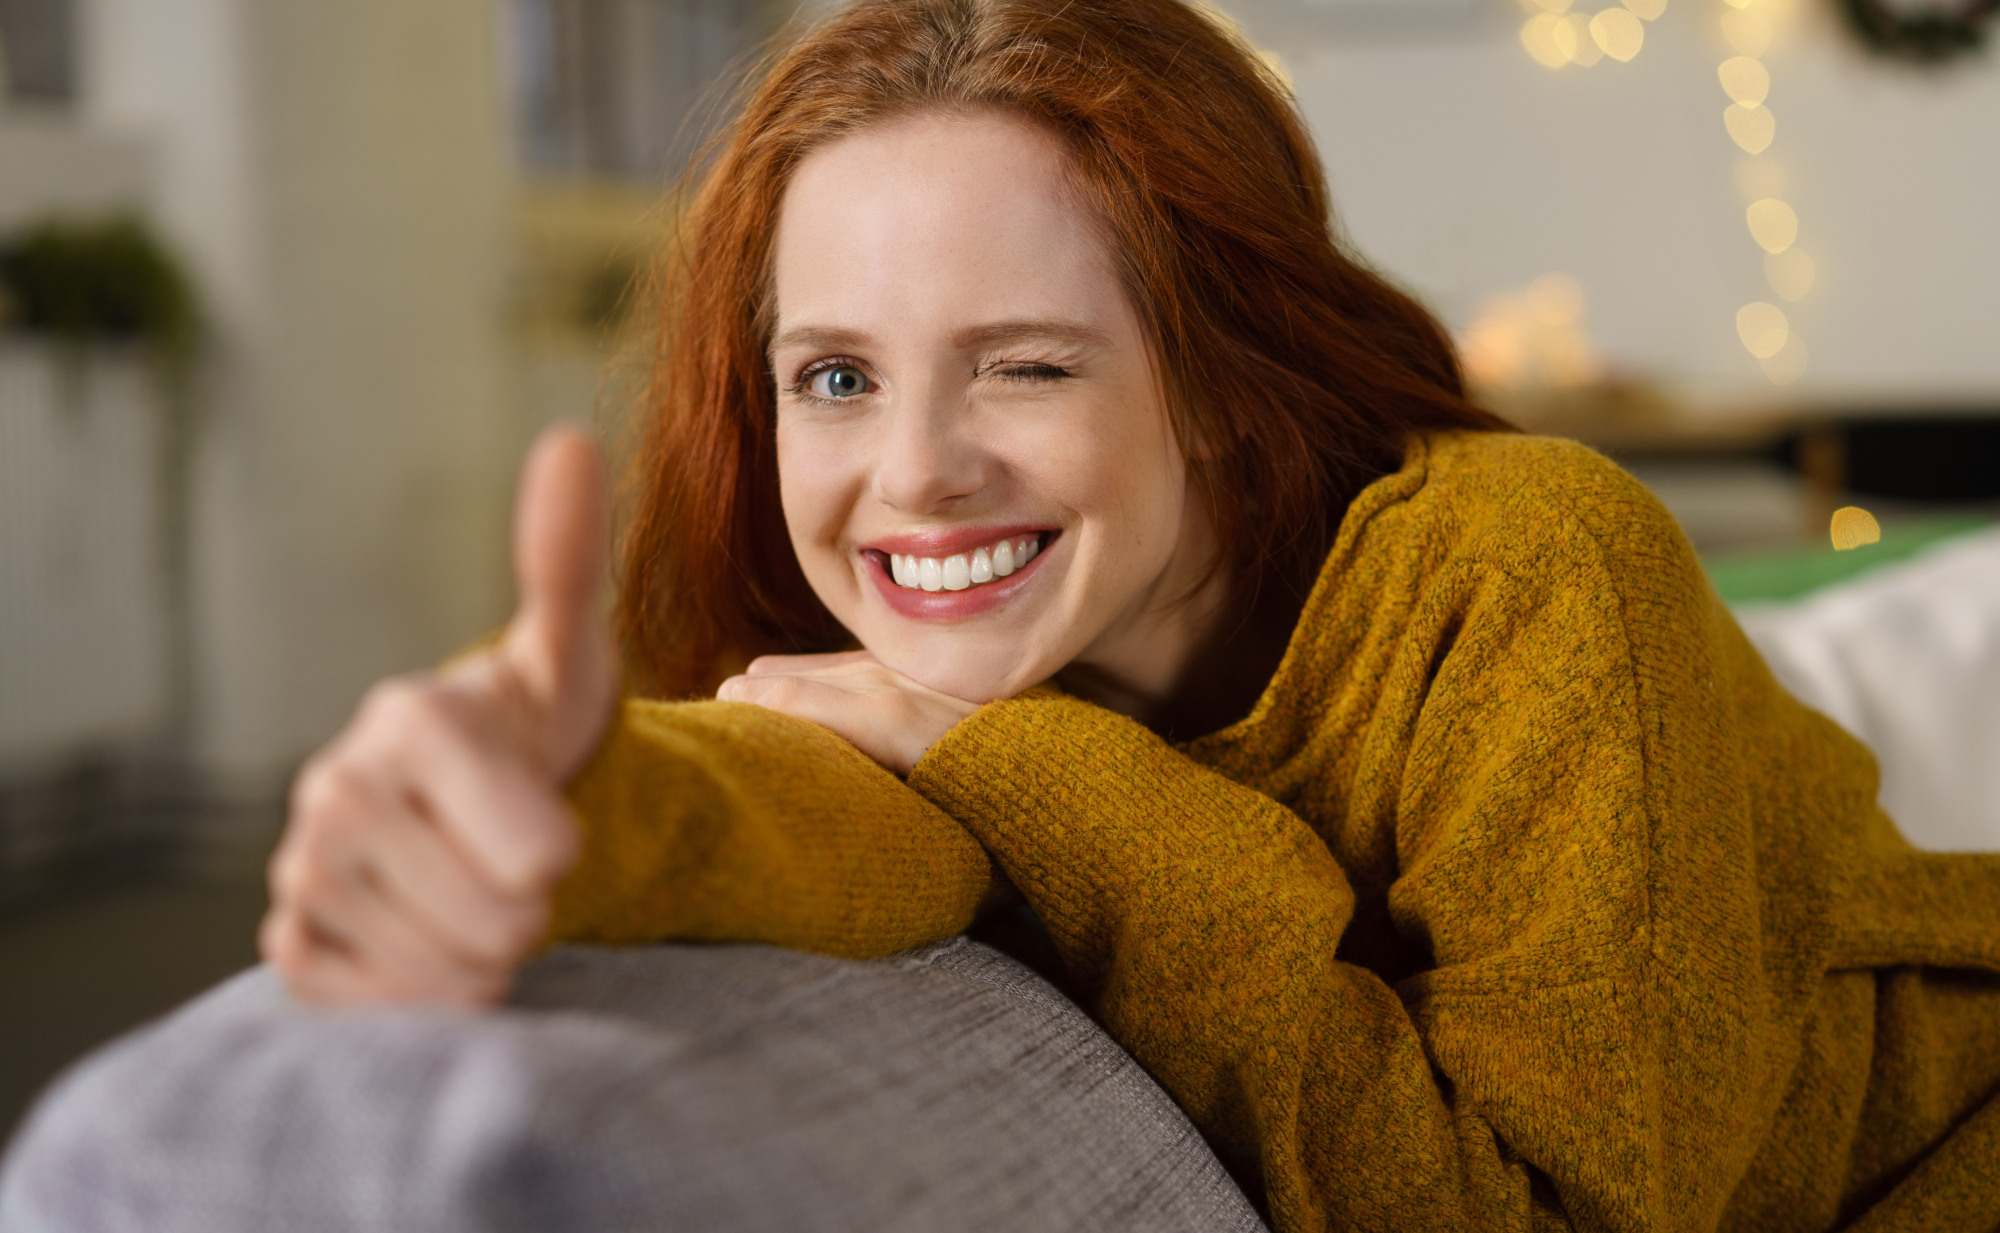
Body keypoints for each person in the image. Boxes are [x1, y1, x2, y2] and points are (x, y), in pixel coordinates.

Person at [257, 0, 2000, 1227]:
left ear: (1224, 384)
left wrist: (1023, 768)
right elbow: (793, 807)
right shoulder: (924, 666)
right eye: (838, 374)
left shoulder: (1531, 558)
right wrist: (549, 804)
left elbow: (1559, 1212)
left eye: (1023, 365)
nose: (915, 474)